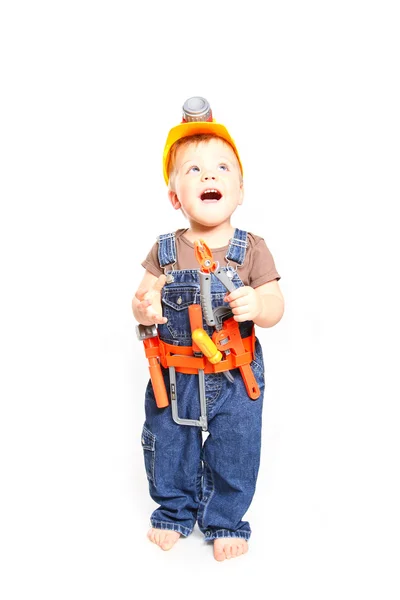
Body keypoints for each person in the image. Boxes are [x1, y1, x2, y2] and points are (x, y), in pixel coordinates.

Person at [132, 97, 284, 561]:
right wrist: (145, 307)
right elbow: (139, 299)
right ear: (176, 196)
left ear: (240, 190)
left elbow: (276, 306)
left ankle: (224, 520)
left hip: (236, 377)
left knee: (236, 448)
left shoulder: (252, 249)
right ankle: (174, 511)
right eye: (193, 170)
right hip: (174, 374)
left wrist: (258, 304)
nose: (209, 176)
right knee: (169, 445)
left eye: (221, 167)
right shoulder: (164, 250)